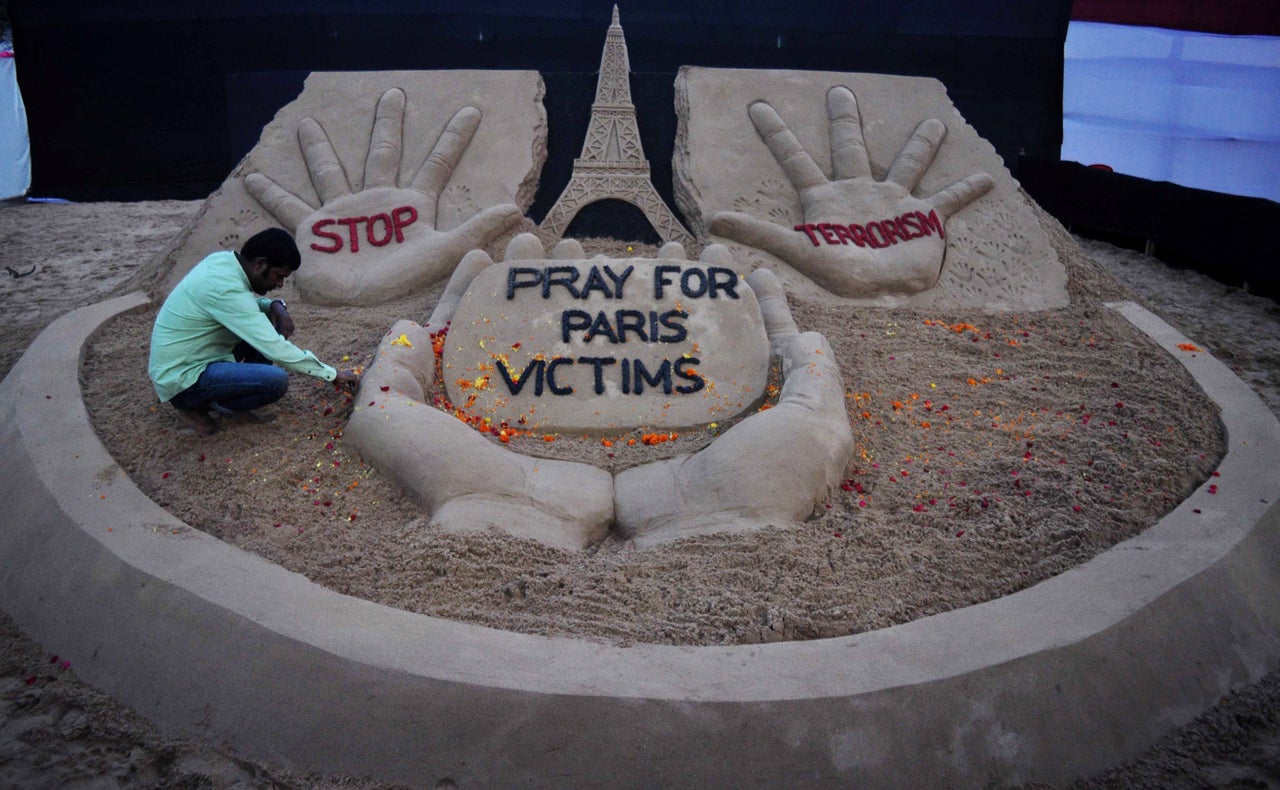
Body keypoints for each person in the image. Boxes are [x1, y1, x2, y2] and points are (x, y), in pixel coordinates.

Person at [148, 227, 361, 435]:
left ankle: (232, 396)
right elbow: (275, 348)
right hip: (183, 375)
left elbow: (241, 305)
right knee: (275, 381)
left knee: (272, 318)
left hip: (199, 353)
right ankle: (206, 407)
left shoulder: (223, 262)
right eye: (278, 276)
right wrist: (332, 375)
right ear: (260, 264)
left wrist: (273, 304)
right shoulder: (224, 288)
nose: (279, 284)